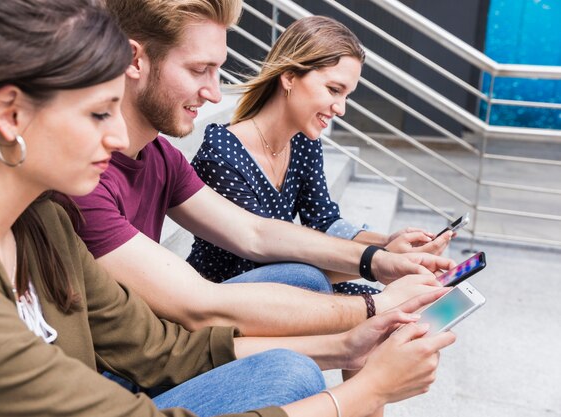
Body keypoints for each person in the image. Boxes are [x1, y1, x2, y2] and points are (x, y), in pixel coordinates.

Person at [0, 1, 459, 416]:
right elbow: (200, 307)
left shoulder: (45, 222)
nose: (117, 136)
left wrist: (352, 327)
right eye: (99, 112)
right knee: (292, 369)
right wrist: (361, 374)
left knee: (298, 331)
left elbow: (168, 340)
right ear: (9, 113)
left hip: (123, 359)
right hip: (111, 379)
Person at [72, 0, 455, 339]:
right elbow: (203, 301)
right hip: (137, 354)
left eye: (217, 70)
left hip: (169, 329)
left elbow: (254, 232)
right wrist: (376, 304)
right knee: (306, 343)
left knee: (312, 288)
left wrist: (379, 257)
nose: (215, 93)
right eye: (198, 69)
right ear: (134, 60)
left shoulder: (161, 156)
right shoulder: (81, 179)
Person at [187, 17, 440, 295]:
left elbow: (323, 221)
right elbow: (264, 255)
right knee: (379, 310)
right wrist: (379, 261)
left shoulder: (303, 141)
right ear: (290, 77)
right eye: (334, 90)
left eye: (347, 95)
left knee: (403, 313)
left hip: (284, 283)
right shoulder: (221, 153)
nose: (341, 108)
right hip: (227, 294)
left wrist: (386, 243)